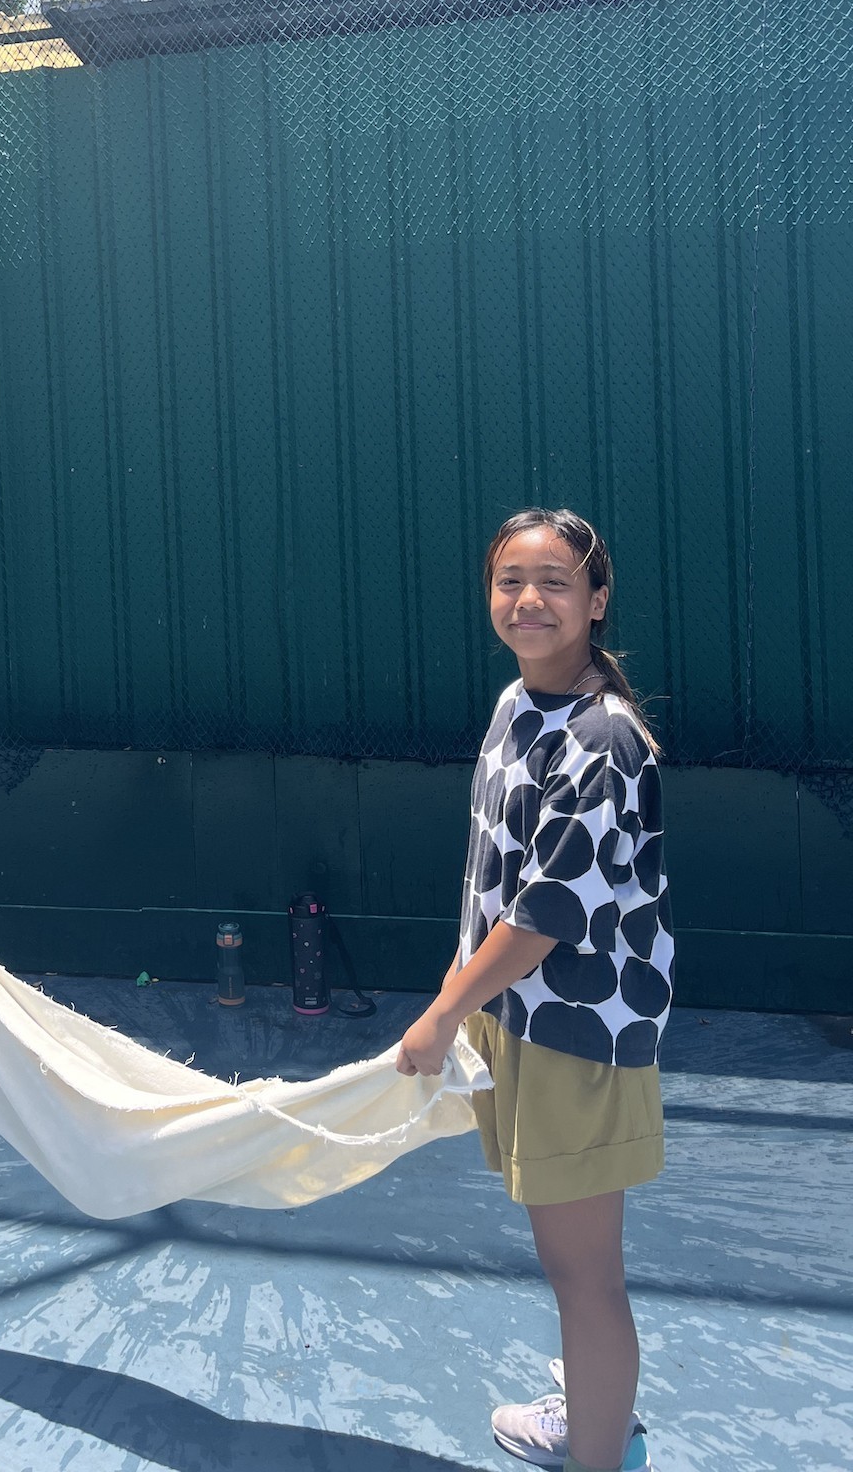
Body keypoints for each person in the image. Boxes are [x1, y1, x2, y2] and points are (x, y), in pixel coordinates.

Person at [396, 508, 673, 1472]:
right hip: (522, 1020)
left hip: (578, 1039)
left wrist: (443, 1014)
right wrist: (462, 992)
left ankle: (599, 1450)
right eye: (510, 580)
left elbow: (549, 910)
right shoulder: (519, 705)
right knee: (573, 1269)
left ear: (597, 602)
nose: (529, 600)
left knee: (584, 1276)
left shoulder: (602, 738)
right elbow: (497, 879)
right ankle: (596, 1408)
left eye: (555, 582)